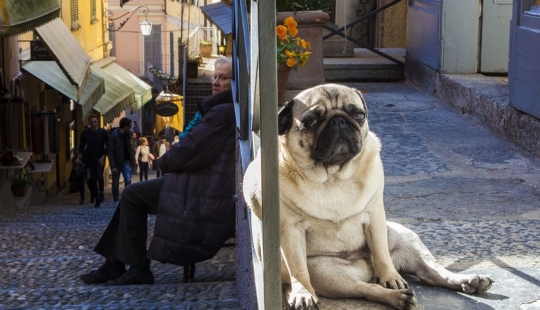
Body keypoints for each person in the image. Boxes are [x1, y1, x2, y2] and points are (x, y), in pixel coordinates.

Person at [80, 57, 236, 286]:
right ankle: (115, 263)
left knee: (132, 194)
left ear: (236, 82)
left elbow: (190, 149)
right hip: (201, 183)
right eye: (215, 76)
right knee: (132, 193)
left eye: (223, 78)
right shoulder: (223, 108)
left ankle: (137, 268)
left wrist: (163, 162)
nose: (215, 82)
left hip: (203, 189)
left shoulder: (221, 112)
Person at [79, 114, 108, 208]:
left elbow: (108, 145)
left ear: (97, 122)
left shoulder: (102, 132)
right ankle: (96, 197)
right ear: (89, 123)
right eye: (91, 122)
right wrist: (80, 156)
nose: (93, 124)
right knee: (93, 178)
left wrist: (103, 156)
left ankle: (101, 192)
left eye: (95, 122)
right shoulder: (85, 133)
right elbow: (82, 146)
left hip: (100, 158)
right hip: (90, 158)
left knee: (99, 175)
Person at [107, 117, 135, 208]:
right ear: (125, 126)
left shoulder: (128, 135)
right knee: (115, 182)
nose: (130, 127)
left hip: (126, 161)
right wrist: (112, 166)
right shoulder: (113, 135)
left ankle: (127, 199)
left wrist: (132, 163)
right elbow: (110, 151)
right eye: (129, 126)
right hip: (117, 162)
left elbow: (130, 150)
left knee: (128, 181)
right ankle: (116, 200)